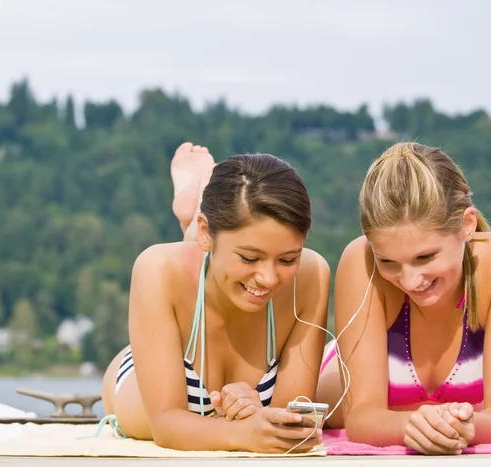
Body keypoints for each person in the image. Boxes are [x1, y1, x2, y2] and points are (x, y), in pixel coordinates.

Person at [101, 143, 330, 453]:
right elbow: (166, 425)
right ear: (207, 232)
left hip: (211, 252)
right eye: (250, 258)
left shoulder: (312, 274)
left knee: (216, 263)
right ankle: (196, 214)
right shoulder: (156, 268)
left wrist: (258, 415)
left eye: (287, 260)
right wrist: (244, 431)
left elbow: (293, 423)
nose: (269, 278)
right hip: (157, 360)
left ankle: (197, 207)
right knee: (192, 265)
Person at [316, 142, 491, 455]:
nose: (409, 281)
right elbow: (360, 418)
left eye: (425, 257)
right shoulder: (361, 261)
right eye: (388, 261)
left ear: (467, 224)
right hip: (335, 376)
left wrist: (468, 428)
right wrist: (418, 426)